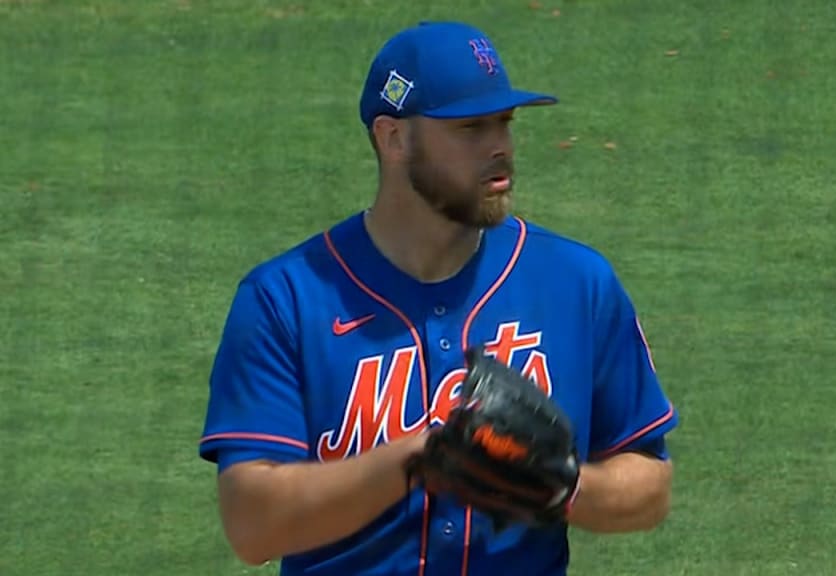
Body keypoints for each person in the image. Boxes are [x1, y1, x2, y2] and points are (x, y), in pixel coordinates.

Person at [198, 20, 679, 576]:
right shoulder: (285, 300)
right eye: (471, 127)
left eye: (505, 121)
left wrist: (559, 485)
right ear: (393, 138)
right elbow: (252, 527)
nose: (500, 146)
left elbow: (650, 489)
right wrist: (421, 459)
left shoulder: (576, 284)